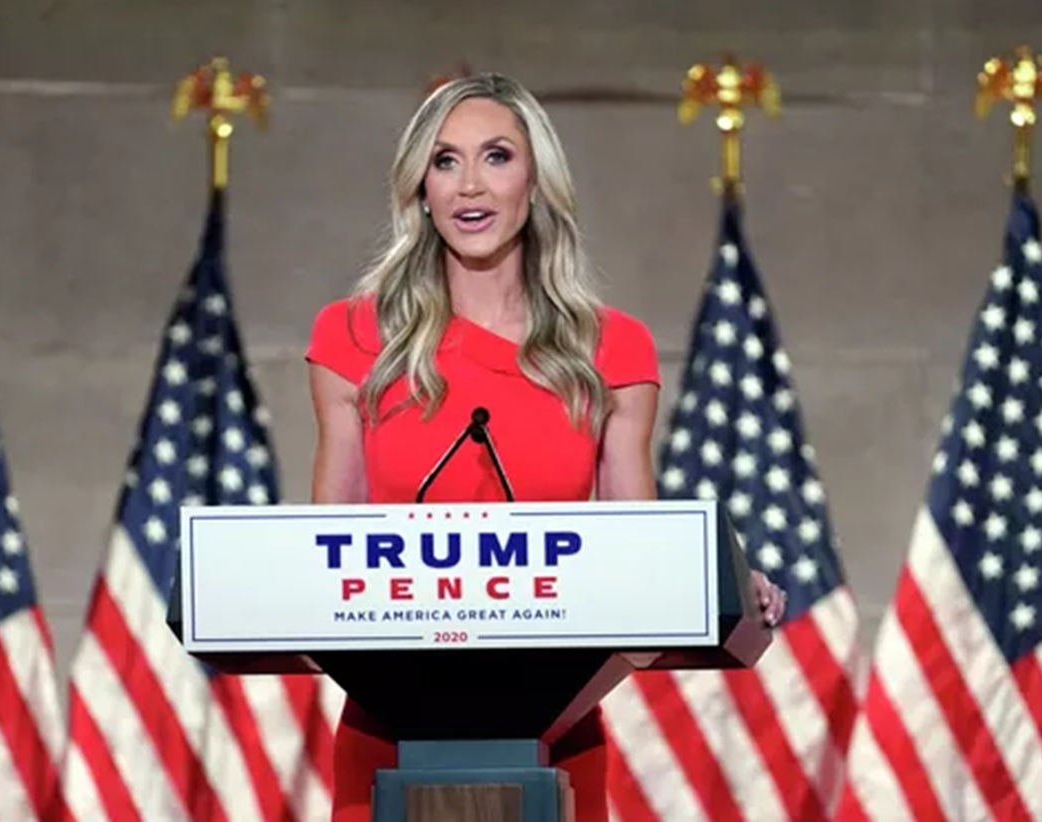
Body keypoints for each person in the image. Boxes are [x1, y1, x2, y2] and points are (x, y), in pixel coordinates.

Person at [305, 72, 788, 822]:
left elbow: (637, 545)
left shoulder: (611, 348)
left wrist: (719, 581)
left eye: (496, 156)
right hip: (390, 726)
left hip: (552, 727)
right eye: (445, 161)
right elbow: (320, 554)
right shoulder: (353, 338)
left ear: (535, 181)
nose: (470, 185)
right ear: (420, 189)